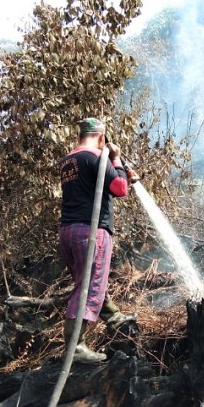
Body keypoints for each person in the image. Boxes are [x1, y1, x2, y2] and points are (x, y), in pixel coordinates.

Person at [58, 117, 138, 363]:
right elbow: (120, 189)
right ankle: (76, 346)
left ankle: (113, 317)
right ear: (102, 137)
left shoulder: (67, 161)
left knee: (89, 282)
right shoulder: (95, 157)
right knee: (88, 287)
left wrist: (118, 166)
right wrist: (116, 158)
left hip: (68, 232)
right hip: (91, 232)